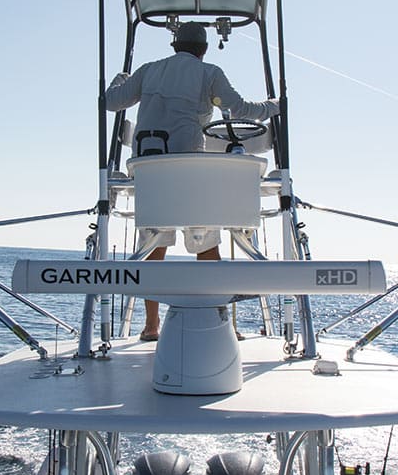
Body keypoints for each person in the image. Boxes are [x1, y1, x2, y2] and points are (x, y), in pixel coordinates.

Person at [106, 21, 279, 340]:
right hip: (188, 169)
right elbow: (240, 108)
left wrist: (122, 78)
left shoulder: (147, 70)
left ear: (175, 46)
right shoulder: (209, 72)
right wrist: (273, 106)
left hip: (149, 168)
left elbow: (111, 102)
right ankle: (219, 322)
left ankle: (151, 326)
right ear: (203, 49)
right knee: (207, 241)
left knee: (153, 244)